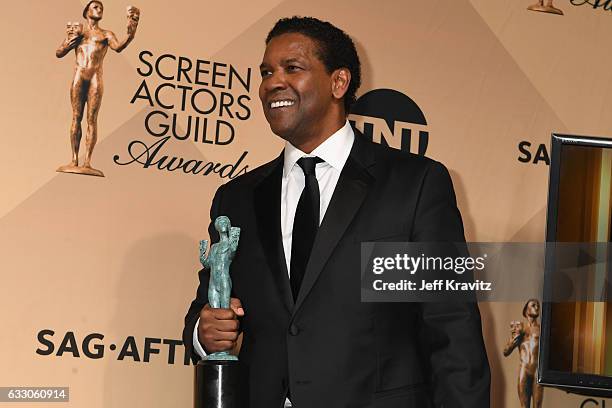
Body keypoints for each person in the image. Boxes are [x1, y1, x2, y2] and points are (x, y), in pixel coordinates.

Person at [183, 16, 490, 408]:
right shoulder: (236, 198)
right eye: (265, 72)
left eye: (292, 68)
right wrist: (202, 330)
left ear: (338, 82)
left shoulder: (414, 184)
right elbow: (206, 305)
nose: (271, 83)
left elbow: (452, 332)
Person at [55, 0, 140, 176]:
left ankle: (87, 161)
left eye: (101, 8)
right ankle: (74, 158)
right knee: (76, 117)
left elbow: (118, 47)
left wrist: (131, 34)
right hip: (79, 75)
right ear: (86, 11)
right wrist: (69, 42)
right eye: (95, 7)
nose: (99, 9)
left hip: (95, 77)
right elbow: (59, 52)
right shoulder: (79, 32)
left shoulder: (106, 34)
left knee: (92, 119)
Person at [503, 299, 543, 408]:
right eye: (533, 305)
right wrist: (514, 339)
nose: (537, 307)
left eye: (538, 306)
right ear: (526, 310)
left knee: (537, 406)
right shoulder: (520, 329)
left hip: (537, 372)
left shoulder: (542, 329)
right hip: (524, 370)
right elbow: (506, 352)